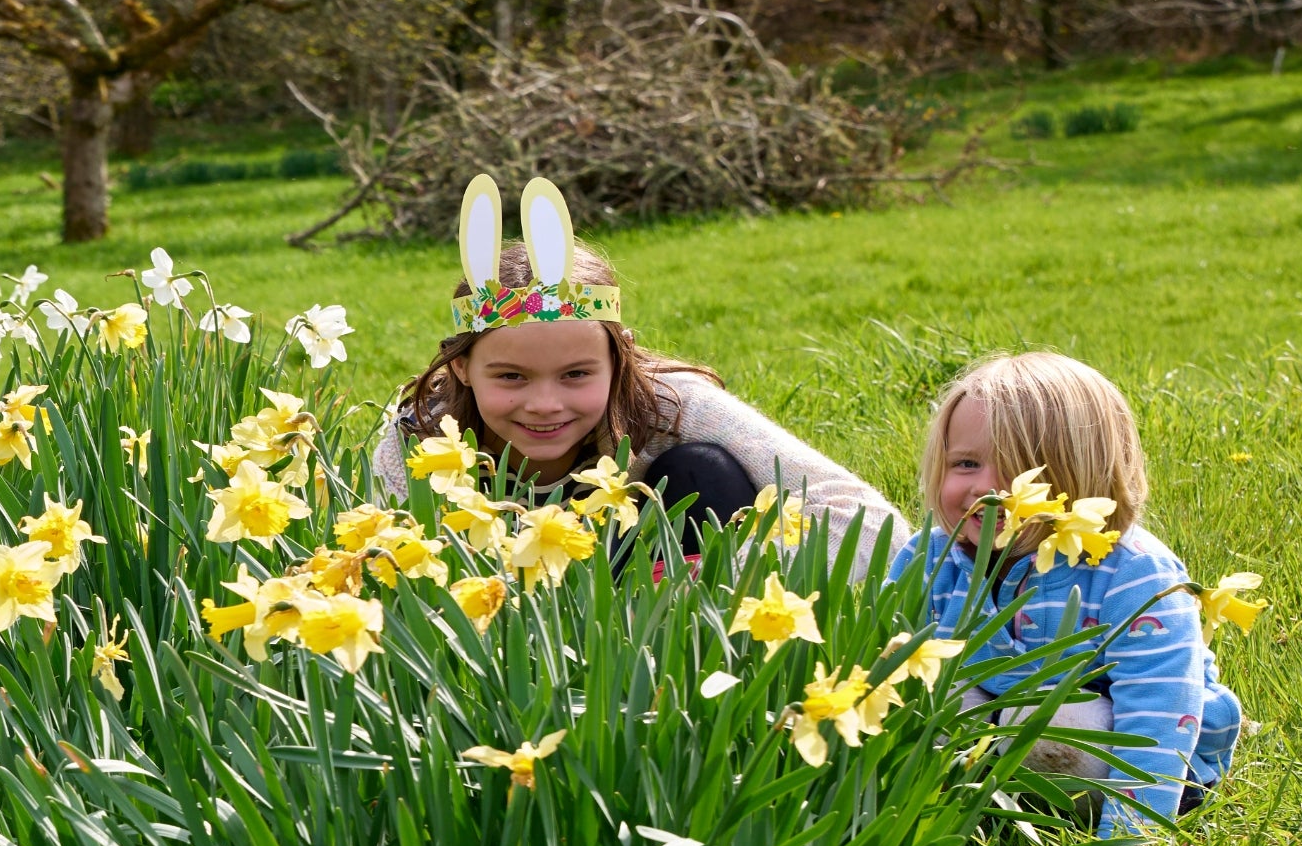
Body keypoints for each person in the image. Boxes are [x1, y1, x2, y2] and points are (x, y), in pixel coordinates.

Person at [373, 178, 905, 562]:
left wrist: (718, 589)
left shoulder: (670, 404)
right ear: (463, 367)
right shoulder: (420, 437)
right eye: (511, 377)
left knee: (702, 470)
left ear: (618, 356)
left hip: (678, 622)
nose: (544, 404)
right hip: (506, 639)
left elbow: (871, 524)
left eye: (576, 375)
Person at [889, 351, 1244, 838]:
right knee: (924, 690)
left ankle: (1100, 812)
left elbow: (1159, 714)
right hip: (1002, 725)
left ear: (1082, 476)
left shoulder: (1133, 573)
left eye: (1021, 475)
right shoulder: (930, 559)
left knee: (1060, 717)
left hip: (1124, 743)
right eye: (965, 463)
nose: (985, 490)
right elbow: (889, 663)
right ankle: (964, 804)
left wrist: (1129, 844)